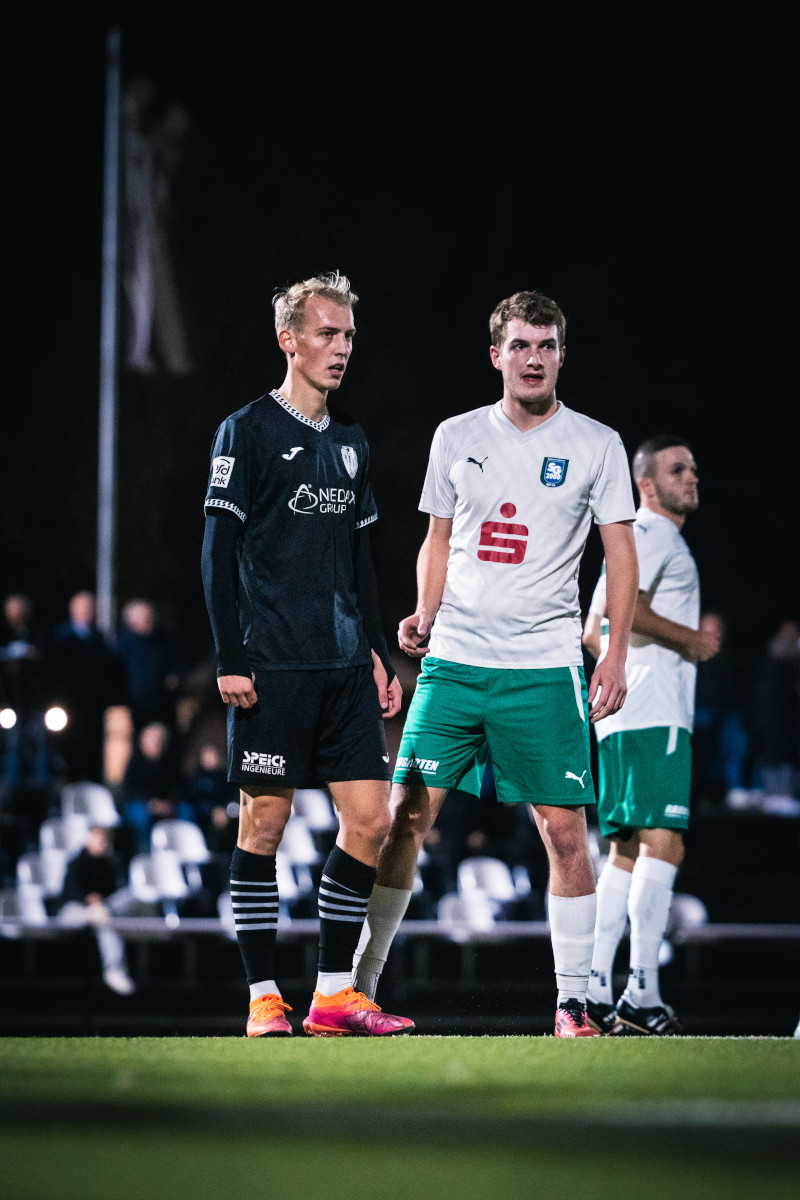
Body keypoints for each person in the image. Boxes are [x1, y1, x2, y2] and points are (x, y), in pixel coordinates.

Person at [351, 289, 639, 1037]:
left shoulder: (597, 443)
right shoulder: (456, 435)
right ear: (496, 355)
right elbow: (438, 539)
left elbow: (620, 554)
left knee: (566, 833)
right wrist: (424, 610)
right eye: (520, 345)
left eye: (546, 346)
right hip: (453, 663)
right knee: (403, 819)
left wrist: (614, 653)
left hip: (543, 667)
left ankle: (572, 1003)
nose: (533, 358)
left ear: (562, 356)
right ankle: (358, 989)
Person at [201, 271, 414, 1038]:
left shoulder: (353, 439)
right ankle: (263, 995)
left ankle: (332, 994)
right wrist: (230, 656)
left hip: (344, 669)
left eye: (349, 335)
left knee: (372, 821)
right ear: (288, 339)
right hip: (272, 667)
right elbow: (216, 553)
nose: (342, 347)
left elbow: (361, 562)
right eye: (328, 333)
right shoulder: (247, 431)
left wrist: (378, 653)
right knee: (264, 823)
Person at [583, 435, 721, 1036]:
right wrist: (691, 640)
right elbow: (625, 613)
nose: (692, 477)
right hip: (654, 713)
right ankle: (641, 993)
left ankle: (593, 989)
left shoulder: (632, 538)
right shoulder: (656, 533)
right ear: (646, 484)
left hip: (622, 714)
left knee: (626, 850)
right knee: (665, 845)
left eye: (693, 468)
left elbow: (592, 630)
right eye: (677, 469)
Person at [57, 824, 152, 994]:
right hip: (76, 910)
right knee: (103, 919)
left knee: (124, 902)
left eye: (105, 840)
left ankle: (115, 970)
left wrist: (101, 903)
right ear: (89, 839)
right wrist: (88, 899)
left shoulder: (109, 863)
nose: (102, 843)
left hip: (103, 910)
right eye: (98, 839)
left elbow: (113, 892)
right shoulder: (76, 863)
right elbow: (69, 892)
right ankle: (114, 970)